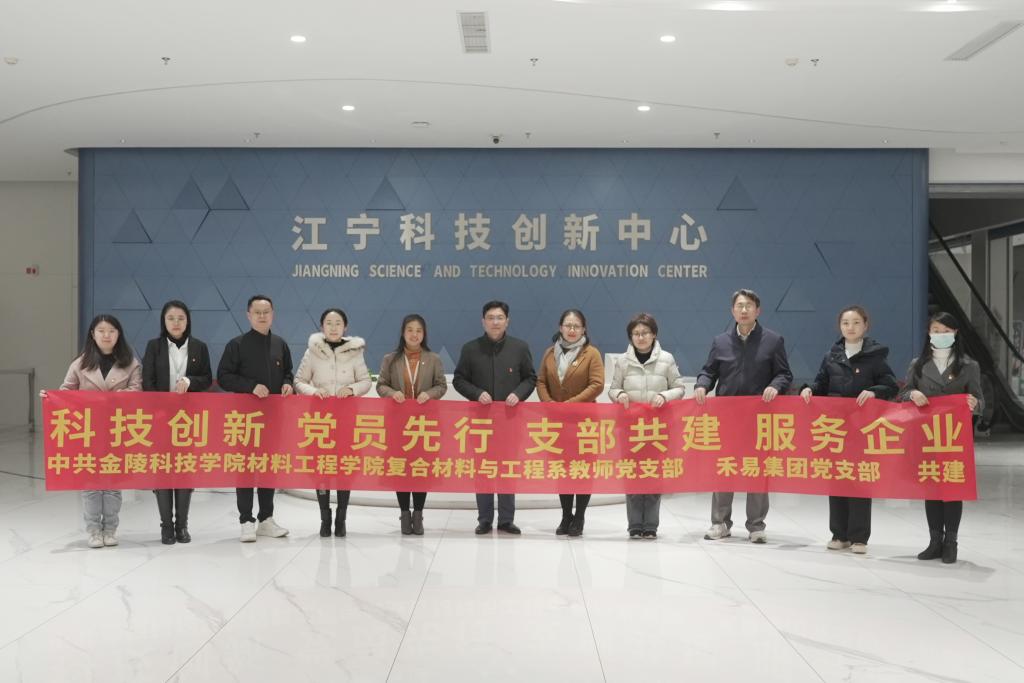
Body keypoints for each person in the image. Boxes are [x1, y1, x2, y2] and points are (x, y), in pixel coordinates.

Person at [695, 289, 792, 544]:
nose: (744, 310)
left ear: (758, 310)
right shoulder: (720, 342)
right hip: (727, 419)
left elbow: (784, 374)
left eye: (749, 305)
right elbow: (708, 371)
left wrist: (775, 386)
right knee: (724, 468)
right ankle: (720, 523)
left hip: (760, 419)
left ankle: (756, 526)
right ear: (733, 311)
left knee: (757, 470)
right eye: (739, 306)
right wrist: (702, 385)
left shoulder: (773, 340)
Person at [800, 305, 898, 554]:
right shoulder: (831, 356)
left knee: (860, 480)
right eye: (845, 323)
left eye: (856, 323)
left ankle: (859, 537)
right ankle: (839, 534)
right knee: (837, 479)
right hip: (835, 429)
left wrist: (874, 391)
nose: (850, 327)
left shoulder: (875, 356)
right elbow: (821, 383)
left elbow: (890, 385)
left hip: (862, 429)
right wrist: (809, 389)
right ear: (840, 327)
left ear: (865, 326)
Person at [52, 314, 142, 548]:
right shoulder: (79, 364)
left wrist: (119, 398)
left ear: (118, 334)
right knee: (91, 485)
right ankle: (93, 531)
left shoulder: (131, 363)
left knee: (113, 485)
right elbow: (65, 392)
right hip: (88, 433)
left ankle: (110, 529)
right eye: (101, 331)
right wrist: (51, 397)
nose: (106, 335)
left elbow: (138, 392)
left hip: (118, 432)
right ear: (93, 334)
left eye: (111, 331)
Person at [901, 312, 983, 564]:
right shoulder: (918, 364)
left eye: (946, 330)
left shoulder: (969, 366)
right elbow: (903, 392)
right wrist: (912, 394)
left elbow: (980, 400)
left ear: (955, 333)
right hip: (927, 437)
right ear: (929, 333)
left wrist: (974, 403)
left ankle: (951, 543)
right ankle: (934, 540)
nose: (941, 335)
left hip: (955, 438)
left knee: (952, 487)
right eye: (936, 330)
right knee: (932, 487)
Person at [454, 300, 537, 535]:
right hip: (480, 422)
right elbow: (459, 380)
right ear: (483, 321)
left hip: (510, 421)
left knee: (507, 469)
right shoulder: (470, 349)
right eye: (490, 318)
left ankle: (506, 520)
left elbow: (531, 378)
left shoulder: (519, 348)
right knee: (483, 470)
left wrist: (518, 394)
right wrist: (476, 393)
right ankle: (484, 519)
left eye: (500, 318)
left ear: (507, 321)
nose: (495, 322)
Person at [217, 294, 293, 543]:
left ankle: (266, 519)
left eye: (266, 312)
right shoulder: (236, 345)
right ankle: (246, 520)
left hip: (273, 419)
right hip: (245, 420)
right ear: (248, 315)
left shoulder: (280, 344)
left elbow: (288, 372)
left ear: (273, 315)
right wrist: (250, 386)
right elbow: (224, 376)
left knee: (268, 466)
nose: (262, 316)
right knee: (246, 468)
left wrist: (287, 383)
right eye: (257, 312)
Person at [295, 308, 371, 538]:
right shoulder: (312, 351)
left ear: (345, 327)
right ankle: (325, 517)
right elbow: (299, 381)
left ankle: (341, 518)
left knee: (345, 468)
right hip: (320, 421)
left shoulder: (355, 352)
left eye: (338, 323)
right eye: (329, 323)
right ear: (322, 327)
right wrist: (314, 391)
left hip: (347, 419)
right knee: (322, 468)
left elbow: (366, 381)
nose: (334, 327)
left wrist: (352, 389)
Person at [608, 313, 685, 539]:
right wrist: (619, 394)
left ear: (654, 335)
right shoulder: (622, 361)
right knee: (632, 476)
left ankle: (650, 525)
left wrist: (664, 395)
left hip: (657, 430)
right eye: (636, 334)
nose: (640, 337)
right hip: (631, 429)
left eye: (645, 333)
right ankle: (634, 525)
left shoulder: (667, 359)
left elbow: (679, 388)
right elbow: (613, 389)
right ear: (630, 337)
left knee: (653, 476)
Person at [142, 300, 212, 545]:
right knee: (163, 471)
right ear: (163, 321)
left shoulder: (199, 347)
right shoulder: (154, 346)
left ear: (187, 321)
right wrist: (160, 409)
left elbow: (207, 378)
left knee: (184, 470)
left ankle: (182, 525)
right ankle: (166, 526)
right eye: (171, 318)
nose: (176, 322)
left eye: (181, 318)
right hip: (160, 420)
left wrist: (190, 381)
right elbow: (147, 381)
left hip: (188, 421)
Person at [377, 314, 447, 535]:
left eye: (418, 330)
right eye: (410, 330)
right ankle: (404, 514)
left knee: (420, 469)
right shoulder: (391, 359)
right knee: (400, 468)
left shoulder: (433, 359)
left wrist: (429, 394)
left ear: (424, 334)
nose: (414, 334)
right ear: (403, 332)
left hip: (423, 425)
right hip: (398, 424)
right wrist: (392, 393)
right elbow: (380, 386)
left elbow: (441, 386)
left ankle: (418, 514)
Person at [537, 309, 604, 537]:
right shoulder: (549, 353)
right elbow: (541, 381)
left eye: (577, 326)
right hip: (557, 423)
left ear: (584, 329)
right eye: (568, 325)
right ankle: (566, 516)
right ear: (560, 327)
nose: (572, 330)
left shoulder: (591, 354)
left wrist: (569, 405)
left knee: (583, 470)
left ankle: (580, 516)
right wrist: (549, 404)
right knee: (562, 470)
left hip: (584, 423)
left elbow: (597, 384)